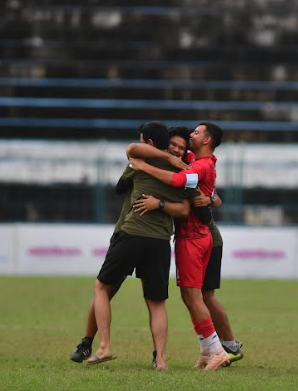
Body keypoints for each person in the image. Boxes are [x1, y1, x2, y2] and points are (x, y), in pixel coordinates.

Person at [68, 122, 190, 370]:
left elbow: (121, 180)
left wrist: (152, 190)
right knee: (156, 302)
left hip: (132, 233)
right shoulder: (184, 173)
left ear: (150, 143)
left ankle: (103, 345)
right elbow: (186, 209)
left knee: (101, 289)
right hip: (160, 241)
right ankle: (161, 360)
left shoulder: (139, 161)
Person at [128, 122, 231, 370]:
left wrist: (144, 167)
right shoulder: (197, 159)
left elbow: (178, 181)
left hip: (194, 238)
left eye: (196, 132)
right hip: (193, 237)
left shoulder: (202, 165)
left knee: (196, 298)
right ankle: (207, 350)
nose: (191, 135)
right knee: (189, 297)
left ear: (207, 140)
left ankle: (220, 350)